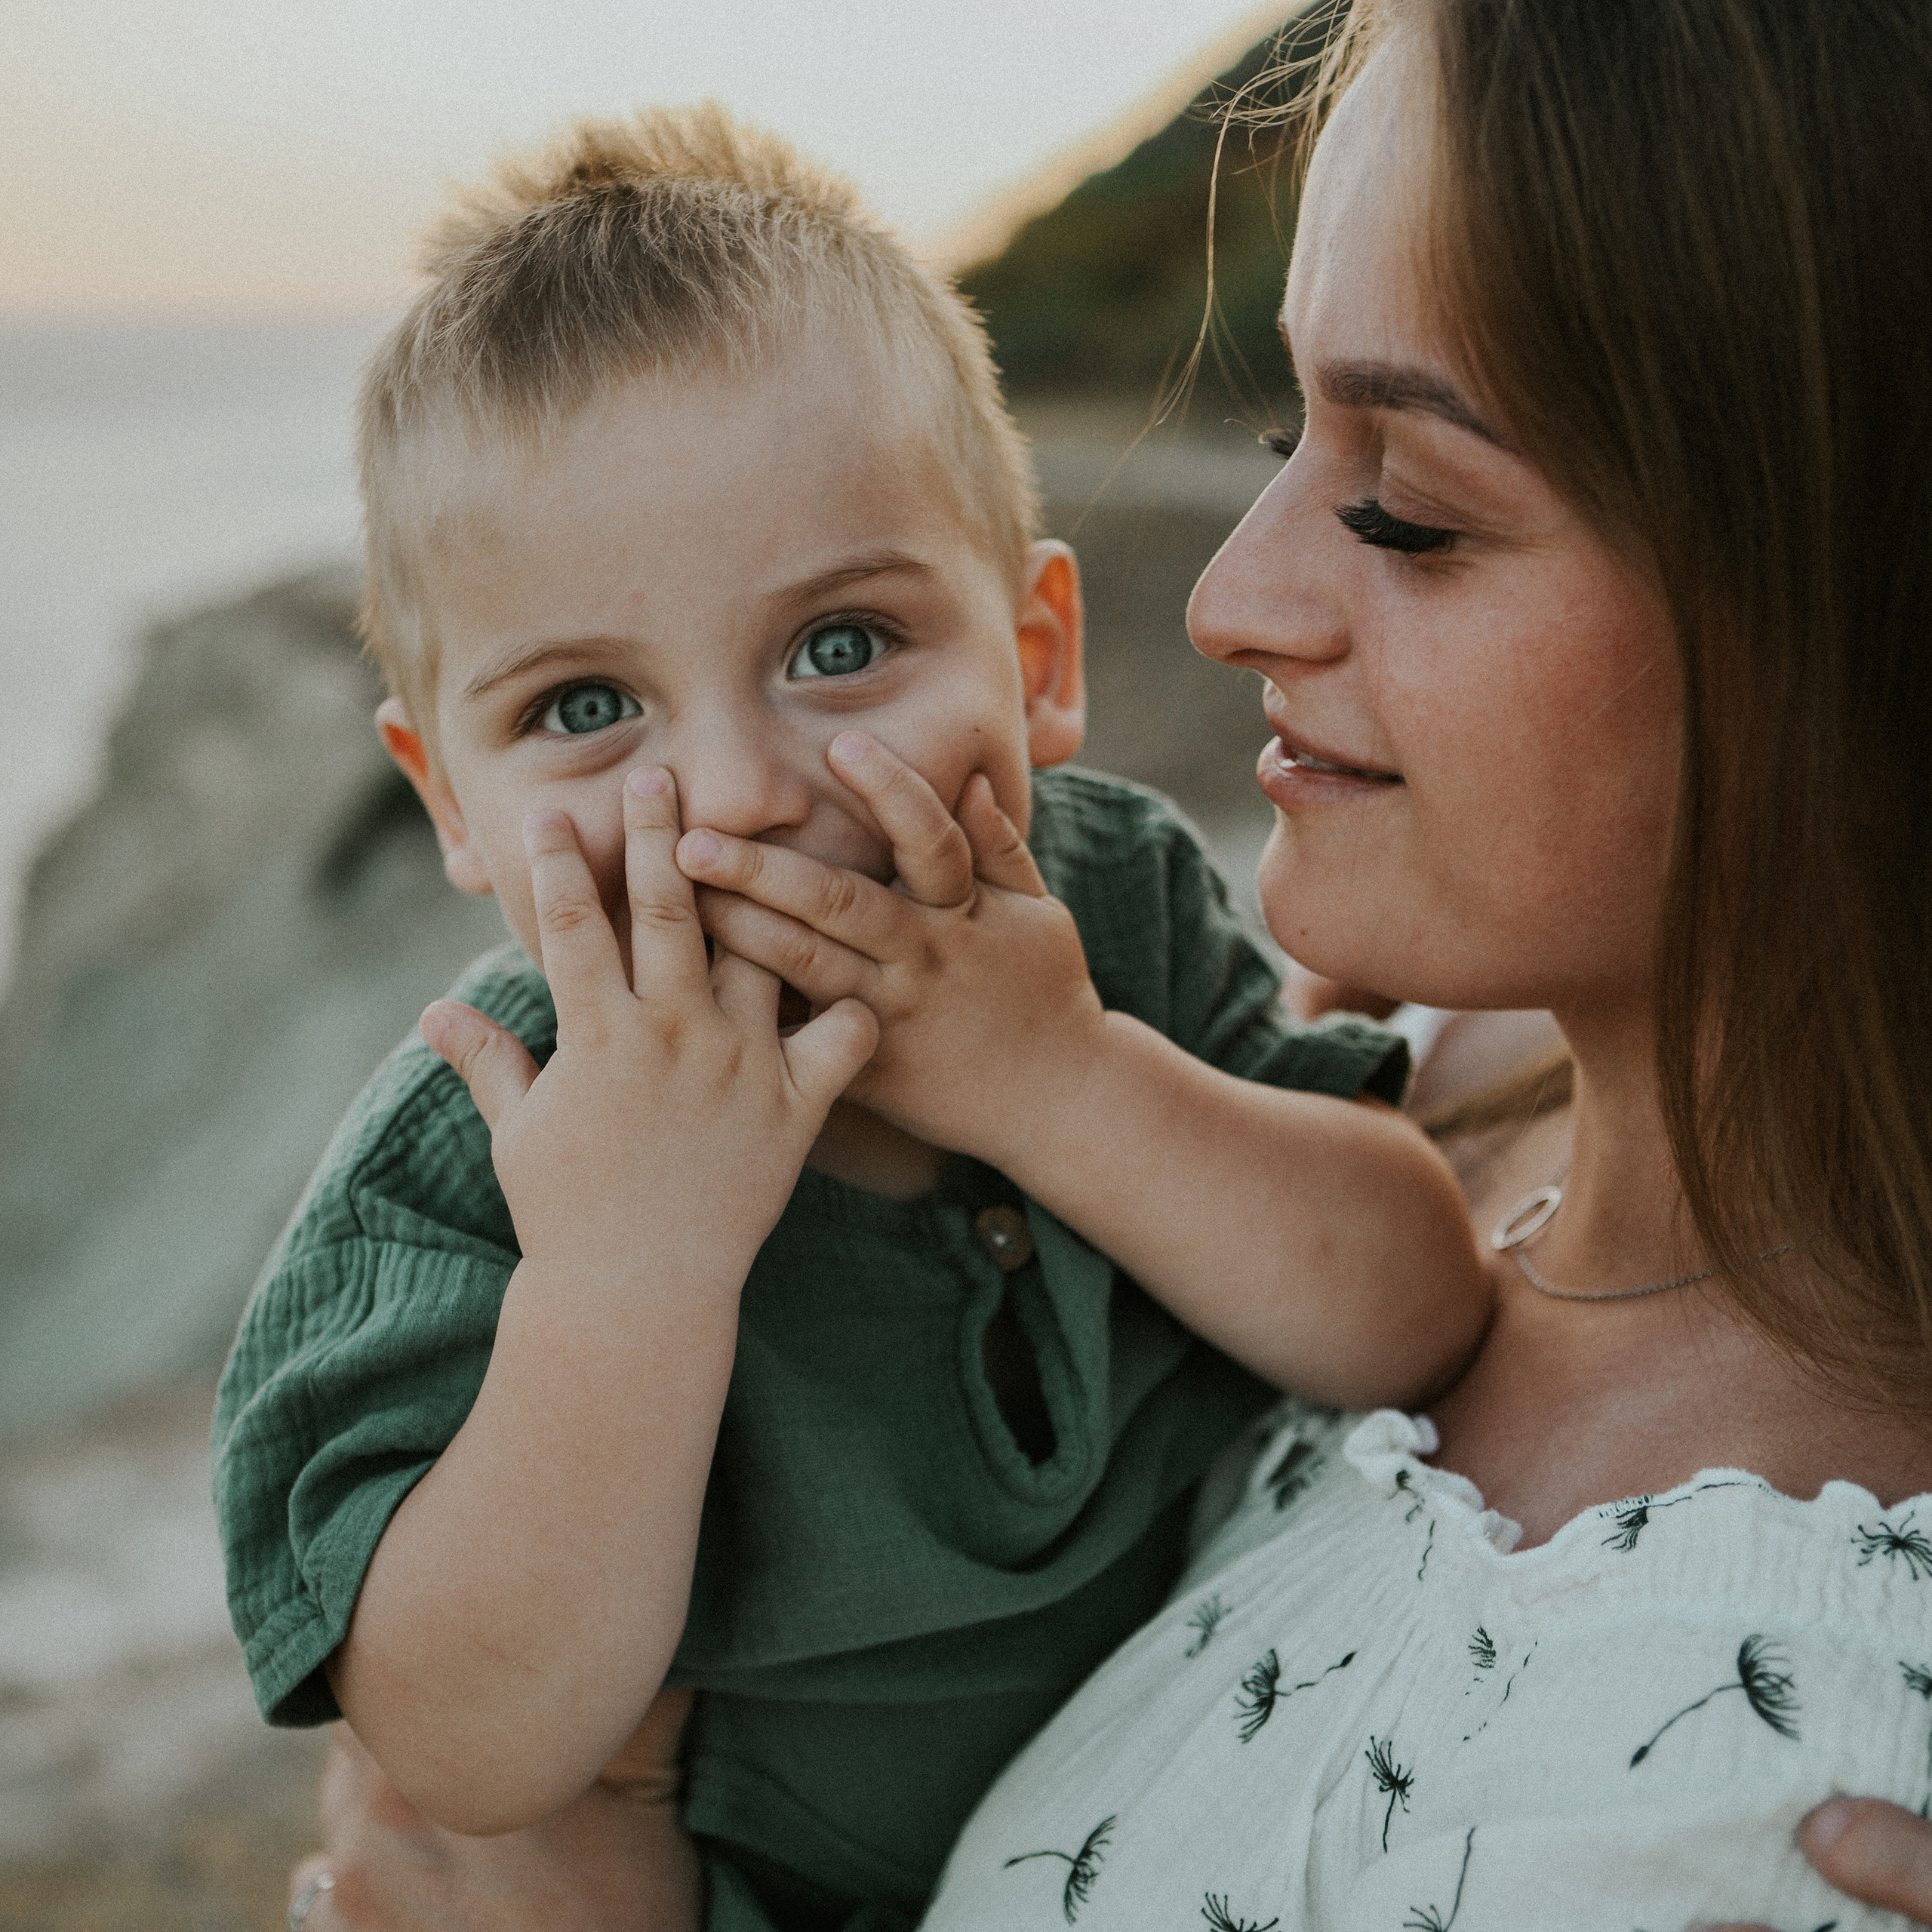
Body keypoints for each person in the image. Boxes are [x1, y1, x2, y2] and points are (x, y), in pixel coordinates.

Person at [281, 0, 1932, 1924]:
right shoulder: (1432, 1040)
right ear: (443, 793)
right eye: (1278, 427)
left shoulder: (1747, 1741)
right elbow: (442, 1749)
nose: (1226, 597)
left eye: (1409, 507)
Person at [218, 104, 1497, 1932]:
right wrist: (620, 1277)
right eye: (585, 703)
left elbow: (1414, 1308)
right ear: (447, 803)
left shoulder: (1106, 909)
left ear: (1036, 661)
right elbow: (466, 1756)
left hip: (1215, 1818)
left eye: (838, 646)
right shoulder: (488, 1142)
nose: (734, 791)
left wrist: (1063, 1083)